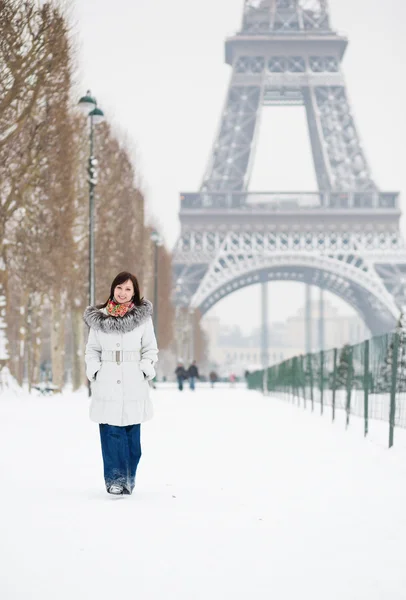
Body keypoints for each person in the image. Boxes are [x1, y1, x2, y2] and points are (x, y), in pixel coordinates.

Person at [84, 271, 158, 496]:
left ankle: (128, 477)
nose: (123, 293)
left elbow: (150, 348)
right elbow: (92, 349)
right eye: (119, 287)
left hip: (133, 379)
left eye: (128, 289)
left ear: (134, 292)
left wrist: (146, 368)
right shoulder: (100, 318)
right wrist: (94, 370)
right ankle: (115, 480)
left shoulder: (143, 319)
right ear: (112, 289)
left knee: (132, 439)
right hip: (107, 379)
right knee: (111, 432)